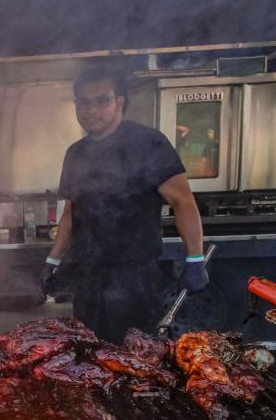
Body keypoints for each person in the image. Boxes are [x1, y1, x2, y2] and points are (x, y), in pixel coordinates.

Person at [40, 66, 208, 344]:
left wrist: (195, 258)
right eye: (84, 102)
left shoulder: (148, 143)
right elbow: (71, 213)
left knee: (137, 358)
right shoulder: (75, 154)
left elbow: (183, 201)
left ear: (119, 101)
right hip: (89, 278)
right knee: (88, 354)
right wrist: (52, 260)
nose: (91, 110)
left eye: (101, 101)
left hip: (136, 279)